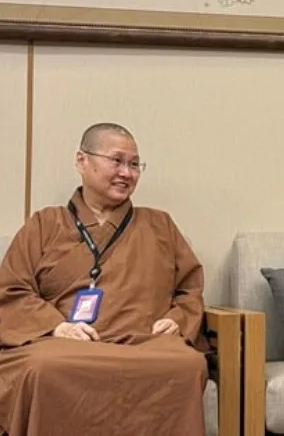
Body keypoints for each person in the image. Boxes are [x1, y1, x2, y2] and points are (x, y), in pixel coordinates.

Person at [0, 123, 210, 436]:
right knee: (43, 367)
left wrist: (177, 319)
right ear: (82, 161)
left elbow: (189, 290)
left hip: (143, 343)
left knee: (187, 365)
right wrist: (55, 326)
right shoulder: (44, 224)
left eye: (134, 164)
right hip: (64, 345)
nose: (127, 173)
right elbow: (11, 290)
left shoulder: (160, 224)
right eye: (117, 161)